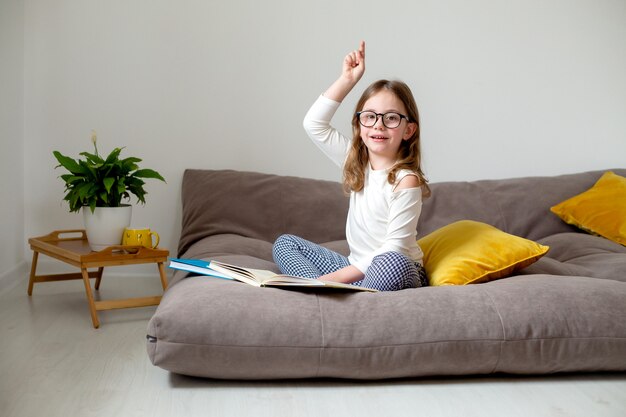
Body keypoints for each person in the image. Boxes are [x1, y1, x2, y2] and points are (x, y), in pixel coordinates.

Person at [272, 41, 430, 291]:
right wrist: (347, 79)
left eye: (391, 118)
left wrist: (331, 279)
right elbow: (314, 124)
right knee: (285, 244)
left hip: (398, 268)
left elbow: (394, 247)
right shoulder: (356, 162)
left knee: (389, 261)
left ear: (408, 129)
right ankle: (332, 291)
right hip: (356, 269)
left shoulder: (405, 179)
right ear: (358, 126)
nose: (378, 125)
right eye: (370, 117)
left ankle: (329, 290)